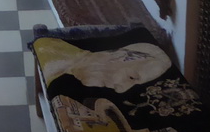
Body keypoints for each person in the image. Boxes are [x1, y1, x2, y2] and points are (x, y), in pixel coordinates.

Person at [34, 37, 171, 93]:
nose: (121, 89)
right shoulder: (55, 51)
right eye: (131, 77)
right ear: (119, 57)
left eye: (135, 84)